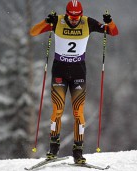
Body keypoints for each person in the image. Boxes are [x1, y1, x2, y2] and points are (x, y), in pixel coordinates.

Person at [30, 0, 118, 164]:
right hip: (59, 74)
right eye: (71, 17)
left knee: (78, 112)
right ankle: (53, 149)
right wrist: (46, 21)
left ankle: (78, 151)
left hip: (79, 74)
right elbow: (33, 32)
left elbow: (113, 32)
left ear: (81, 15)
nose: (74, 20)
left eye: (77, 17)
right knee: (57, 110)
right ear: (67, 14)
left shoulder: (88, 22)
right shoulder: (58, 21)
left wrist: (109, 22)